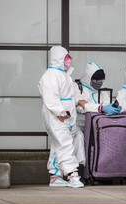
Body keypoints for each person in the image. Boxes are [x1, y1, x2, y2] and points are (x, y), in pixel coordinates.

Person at [38, 45, 84, 188]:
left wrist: (68, 114)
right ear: (58, 59)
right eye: (65, 58)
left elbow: (69, 98)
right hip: (56, 115)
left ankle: (55, 175)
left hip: (65, 114)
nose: (68, 61)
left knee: (58, 144)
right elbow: (51, 98)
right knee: (64, 143)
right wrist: (61, 113)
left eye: (68, 58)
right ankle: (72, 174)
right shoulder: (50, 75)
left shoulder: (63, 75)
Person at [73, 62, 121, 182]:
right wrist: (100, 108)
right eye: (96, 80)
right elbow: (81, 105)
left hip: (97, 125)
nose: (99, 83)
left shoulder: (103, 91)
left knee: (105, 141)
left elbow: (106, 104)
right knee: (79, 138)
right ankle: (81, 171)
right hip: (79, 123)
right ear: (90, 78)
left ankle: (102, 172)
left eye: (101, 80)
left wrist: (114, 108)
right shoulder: (78, 87)